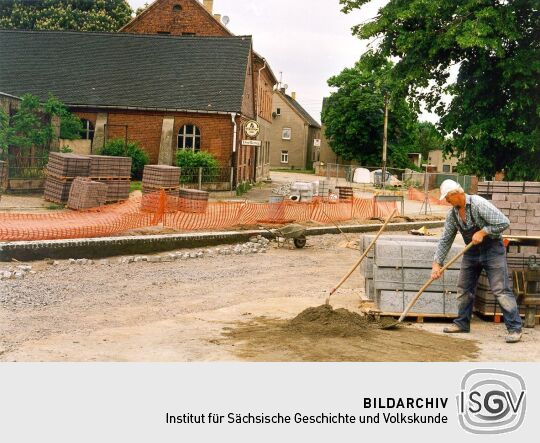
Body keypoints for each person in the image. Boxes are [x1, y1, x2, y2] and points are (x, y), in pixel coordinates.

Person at [431, 179, 522, 343]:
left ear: (457, 194)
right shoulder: (453, 215)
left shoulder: (478, 204)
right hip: (471, 251)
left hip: (492, 248)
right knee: (464, 288)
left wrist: (484, 231)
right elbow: (445, 240)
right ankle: (462, 323)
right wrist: (437, 263)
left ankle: (515, 328)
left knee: (500, 289)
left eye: (448, 197)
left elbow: (504, 222)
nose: (446, 201)